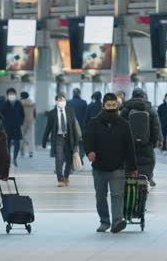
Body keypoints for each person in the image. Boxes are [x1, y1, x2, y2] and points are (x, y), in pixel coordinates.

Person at [84, 93, 137, 234]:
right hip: (99, 167)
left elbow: (129, 146)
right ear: (103, 106)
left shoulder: (124, 124)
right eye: (109, 106)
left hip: (118, 166)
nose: (111, 108)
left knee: (117, 195)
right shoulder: (94, 123)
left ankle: (117, 222)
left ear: (118, 106)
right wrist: (89, 152)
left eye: (114, 106)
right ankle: (104, 221)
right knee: (101, 196)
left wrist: (132, 167)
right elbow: (87, 140)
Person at [121, 88, 161, 187]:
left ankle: (131, 186)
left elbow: (120, 127)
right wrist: (154, 142)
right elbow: (156, 128)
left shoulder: (125, 110)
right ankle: (144, 184)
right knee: (145, 167)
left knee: (130, 167)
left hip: (129, 145)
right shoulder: (151, 110)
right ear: (144, 96)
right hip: (146, 144)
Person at [42, 93, 80, 187]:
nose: (61, 102)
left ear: (65, 101)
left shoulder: (70, 111)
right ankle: (60, 179)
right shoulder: (52, 113)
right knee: (59, 159)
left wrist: (76, 140)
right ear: (56, 102)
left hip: (69, 138)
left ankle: (66, 176)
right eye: (59, 100)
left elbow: (73, 127)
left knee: (69, 160)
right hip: (58, 138)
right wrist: (44, 141)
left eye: (63, 100)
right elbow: (48, 128)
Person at [0, 88, 25, 167]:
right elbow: (1, 115)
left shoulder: (18, 103)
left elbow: (22, 114)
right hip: (7, 127)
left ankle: (15, 158)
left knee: (17, 143)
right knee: (7, 144)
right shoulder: (4, 104)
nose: (11, 95)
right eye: (10, 94)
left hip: (16, 126)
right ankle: (8, 159)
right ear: (7, 95)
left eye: (13, 94)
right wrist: (3, 124)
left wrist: (20, 122)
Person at [67, 88, 87, 161]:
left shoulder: (68, 102)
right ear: (79, 93)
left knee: (72, 144)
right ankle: (80, 158)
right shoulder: (84, 103)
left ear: (73, 93)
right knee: (81, 144)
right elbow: (86, 116)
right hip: (81, 127)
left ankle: (73, 160)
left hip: (70, 126)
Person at [20, 92, 36, 158]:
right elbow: (35, 113)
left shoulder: (19, 103)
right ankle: (31, 151)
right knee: (31, 137)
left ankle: (22, 151)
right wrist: (34, 119)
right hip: (31, 122)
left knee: (21, 137)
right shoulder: (32, 103)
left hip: (22, 122)